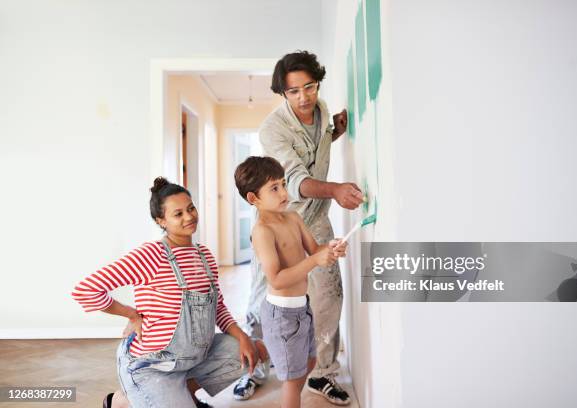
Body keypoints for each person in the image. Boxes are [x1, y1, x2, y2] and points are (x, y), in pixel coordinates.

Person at [235, 50, 362, 405]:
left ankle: (322, 373)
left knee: (328, 298)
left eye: (310, 87)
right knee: (264, 297)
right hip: (281, 219)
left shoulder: (321, 111)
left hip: (315, 218)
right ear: (283, 94)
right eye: (294, 92)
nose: (304, 97)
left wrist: (333, 132)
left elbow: (312, 147)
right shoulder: (272, 129)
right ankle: (255, 371)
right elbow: (293, 179)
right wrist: (336, 189)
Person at [72, 177, 260, 408]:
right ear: (161, 221)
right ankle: (124, 401)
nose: (189, 217)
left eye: (191, 208)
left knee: (252, 351)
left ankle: (181, 393)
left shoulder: (204, 255)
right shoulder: (151, 255)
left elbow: (218, 307)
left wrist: (243, 338)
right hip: (152, 367)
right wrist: (131, 314)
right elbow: (86, 289)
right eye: (178, 214)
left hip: (190, 361)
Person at [234, 156, 347, 408]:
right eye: (274, 188)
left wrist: (330, 248)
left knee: (308, 363)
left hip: (301, 308)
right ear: (254, 199)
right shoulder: (262, 231)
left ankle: (276, 360)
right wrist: (316, 260)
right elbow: (276, 278)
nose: (284, 193)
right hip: (282, 314)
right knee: (293, 383)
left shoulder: (293, 217)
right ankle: (272, 361)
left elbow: (314, 248)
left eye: (283, 184)